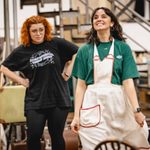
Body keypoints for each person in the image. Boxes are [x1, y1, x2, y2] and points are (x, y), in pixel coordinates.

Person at [70, 7, 150, 150]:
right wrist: (76, 116)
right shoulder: (84, 50)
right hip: (92, 104)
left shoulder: (123, 48)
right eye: (95, 17)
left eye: (104, 16)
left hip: (119, 106)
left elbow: (128, 82)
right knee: (96, 146)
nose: (99, 19)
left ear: (112, 23)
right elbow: (81, 86)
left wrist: (137, 111)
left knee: (134, 137)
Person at [0, 15, 78, 150]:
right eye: (34, 31)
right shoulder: (22, 50)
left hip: (58, 98)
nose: (38, 34)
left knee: (56, 136)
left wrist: (68, 71)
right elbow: (3, 67)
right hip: (35, 100)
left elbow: (78, 51)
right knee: (33, 137)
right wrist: (21, 81)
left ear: (45, 30)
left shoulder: (55, 43)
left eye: (41, 30)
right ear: (28, 32)